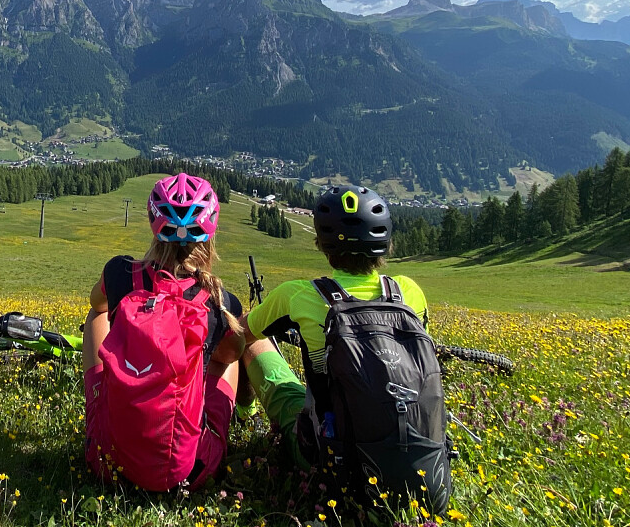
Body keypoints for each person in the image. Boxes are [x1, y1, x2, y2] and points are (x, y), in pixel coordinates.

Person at [239, 184, 430, 473]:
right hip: (416, 460)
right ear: (385, 243)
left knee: (252, 343)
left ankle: (244, 413)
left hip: (327, 457)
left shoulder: (299, 295)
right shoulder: (408, 292)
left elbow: (240, 335)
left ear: (322, 243)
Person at [82, 172, 244, 491]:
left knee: (95, 315)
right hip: (190, 472)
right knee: (229, 356)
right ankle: (228, 424)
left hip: (107, 462)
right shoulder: (220, 303)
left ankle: (106, 405)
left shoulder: (119, 272)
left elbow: (97, 303)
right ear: (210, 232)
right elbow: (229, 356)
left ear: (154, 226)